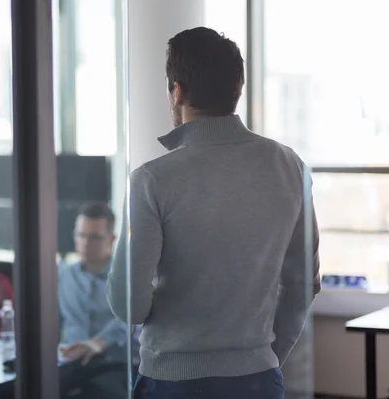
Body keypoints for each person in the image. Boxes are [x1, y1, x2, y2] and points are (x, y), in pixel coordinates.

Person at [107, 27, 321, 399]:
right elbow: (304, 284)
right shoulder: (290, 166)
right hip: (259, 378)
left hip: (172, 381)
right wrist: (265, 356)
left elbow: (130, 305)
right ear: (238, 86)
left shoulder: (151, 180)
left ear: (177, 91)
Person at [59, 202, 127, 398]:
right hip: (69, 365)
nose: (86, 243)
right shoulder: (64, 275)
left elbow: (131, 320)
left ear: (112, 239)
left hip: (113, 367)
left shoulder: (126, 276)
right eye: (81, 235)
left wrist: (99, 342)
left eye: (95, 237)